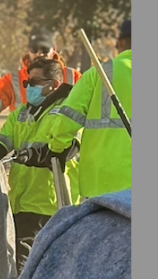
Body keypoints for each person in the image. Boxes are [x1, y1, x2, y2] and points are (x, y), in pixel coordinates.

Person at [0, 54, 80, 269]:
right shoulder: (21, 114)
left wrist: (36, 156)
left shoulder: (68, 111)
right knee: (25, 262)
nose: (28, 87)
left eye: (34, 83)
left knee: (38, 263)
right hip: (21, 201)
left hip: (51, 202)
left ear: (53, 85)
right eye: (27, 83)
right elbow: (1, 144)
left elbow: (68, 150)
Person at [37, 19, 132, 199]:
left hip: (101, 184)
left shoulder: (99, 73)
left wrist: (57, 149)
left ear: (119, 43)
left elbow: (66, 120)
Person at [0, 30, 80, 119]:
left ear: (54, 49)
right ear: (28, 50)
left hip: (62, 148)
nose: (39, 54)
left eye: (44, 49)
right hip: (25, 148)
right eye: (34, 49)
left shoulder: (73, 76)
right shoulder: (12, 80)